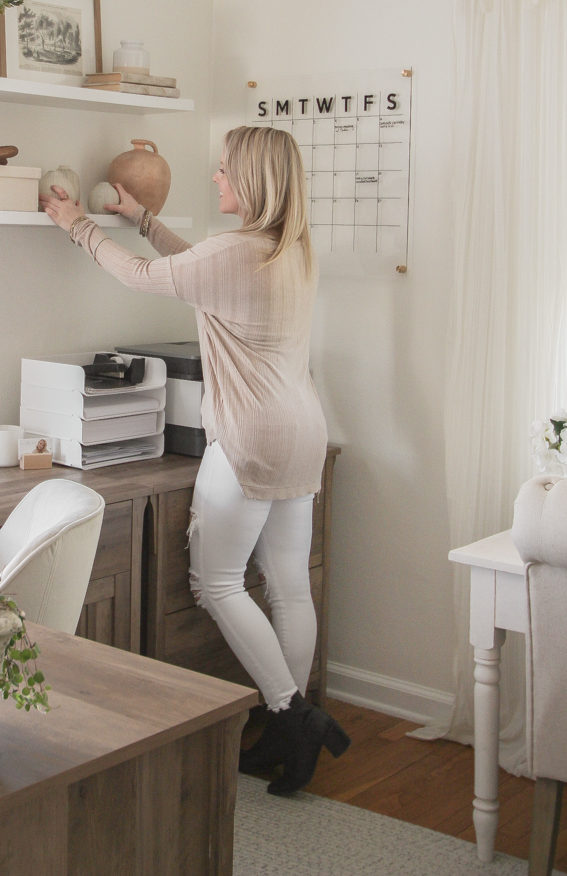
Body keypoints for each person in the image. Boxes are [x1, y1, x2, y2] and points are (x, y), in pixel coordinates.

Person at [40, 124, 350, 794]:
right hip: (303, 430)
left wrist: (78, 225)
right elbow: (196, 270)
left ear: (250, 180)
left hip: (248, 436)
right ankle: (289, 733)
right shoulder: (289, 248)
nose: (214, 179)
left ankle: (290, 716)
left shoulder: (237, 253)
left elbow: (147, 277)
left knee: (218, 583)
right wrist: (143, 217)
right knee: (290, 585)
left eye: (222, 171)